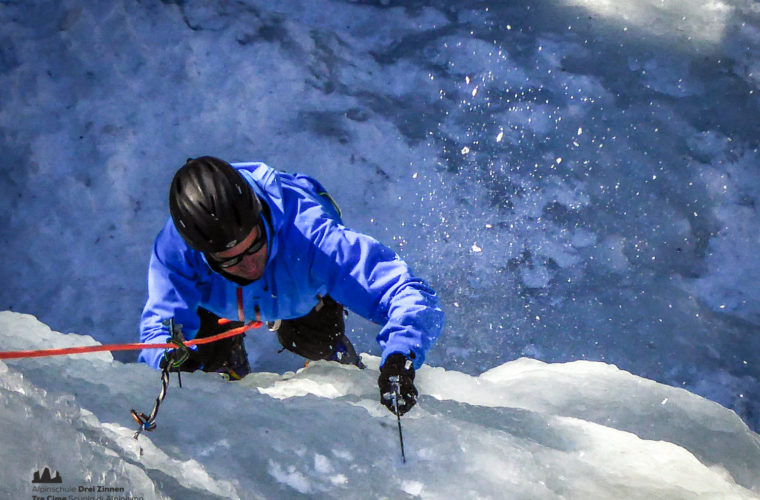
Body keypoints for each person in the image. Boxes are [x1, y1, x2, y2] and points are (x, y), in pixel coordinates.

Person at [138, 156, 444, 415]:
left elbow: (406, 291)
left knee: (317, 346)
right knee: (194, 364)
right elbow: (161, 325)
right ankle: (227, 359)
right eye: (230, 260)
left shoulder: (314, 237)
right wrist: (166, 357)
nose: (249, 266)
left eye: (254, 245)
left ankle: (338, 354)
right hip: (216, 307)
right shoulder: (176, 250)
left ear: (260, 215)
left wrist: (400, 356)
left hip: (299, 296)